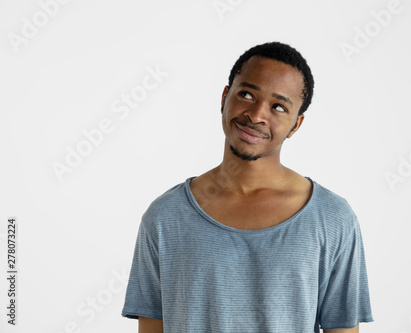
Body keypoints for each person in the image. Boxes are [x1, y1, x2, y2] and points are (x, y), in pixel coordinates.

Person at [121, 41, 373, 332]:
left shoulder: (333, 219)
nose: (256, 115)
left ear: (296, 124)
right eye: (247, 94)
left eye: (278, 106)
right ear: (225, 97)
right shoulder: (165, 217)